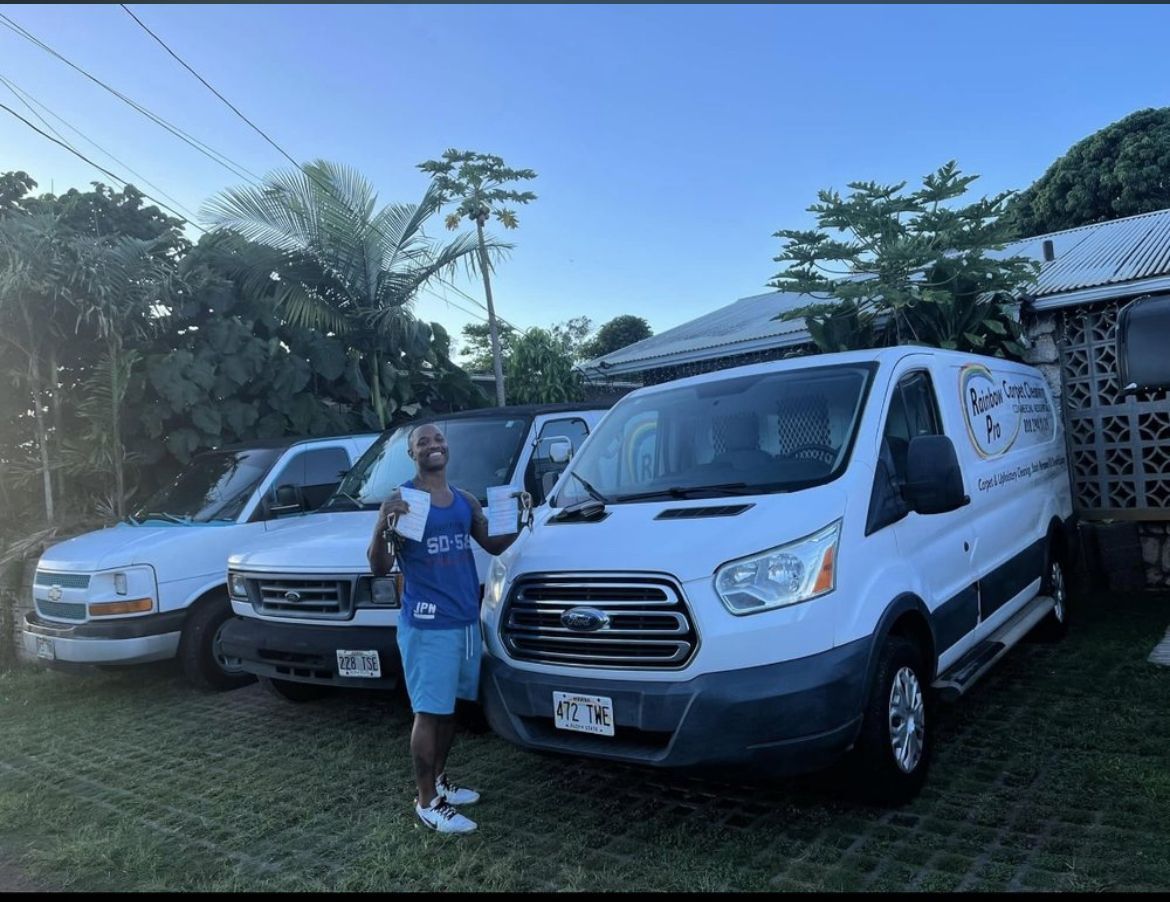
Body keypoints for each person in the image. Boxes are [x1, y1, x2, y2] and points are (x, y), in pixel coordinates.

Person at [368, 422, 529, 835]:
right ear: (412, 454)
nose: (433, 446)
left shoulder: (464, 501)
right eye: (422, 442)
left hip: (463, 621)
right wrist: (382, 524)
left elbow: (493, 544)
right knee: (428, 712)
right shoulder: (404, 502)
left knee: (449, 709)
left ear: (446, 447)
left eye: (438, 439)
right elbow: (379, 567)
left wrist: (519, 514)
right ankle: (427, 803)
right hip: (427, 624)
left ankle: (439, 782)